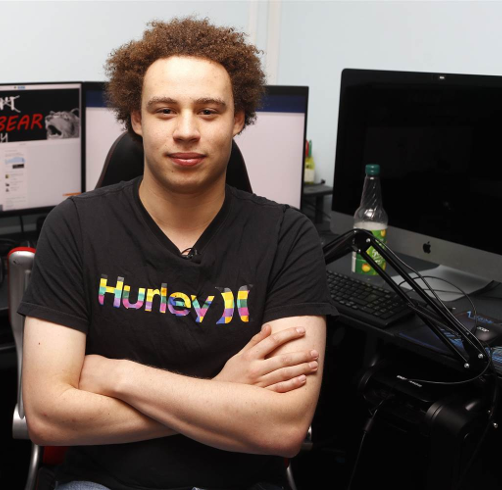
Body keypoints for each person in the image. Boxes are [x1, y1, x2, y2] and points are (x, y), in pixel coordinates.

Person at [18, 17, 336, 490]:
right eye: (165, 110)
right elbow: (48, 416)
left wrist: (120, 376)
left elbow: (283, 429)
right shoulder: (76, 226)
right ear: (136, 119)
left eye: (209, 111)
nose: (186, 131)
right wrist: (223, 397)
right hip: (106, 481)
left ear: (238, 119)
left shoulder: (288, 236)